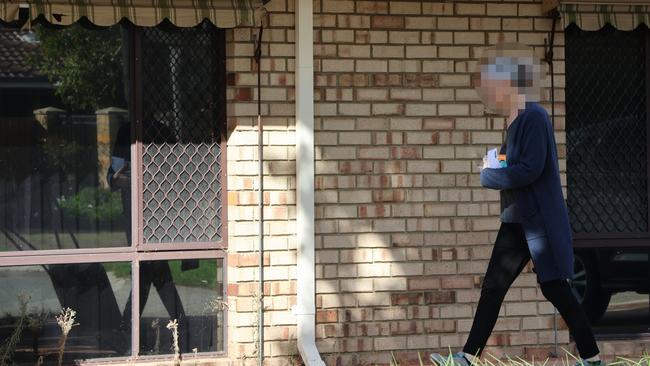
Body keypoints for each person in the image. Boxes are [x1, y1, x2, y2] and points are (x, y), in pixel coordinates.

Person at [429, 43, 603, 366]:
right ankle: (467, 357)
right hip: (517, 221)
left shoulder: (533, 116)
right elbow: (516, 162)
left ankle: (592, 358)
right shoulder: (513, 119)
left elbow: (529, 169)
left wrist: (489, 174)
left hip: (538, 223)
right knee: (493, 288)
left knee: (556, 290)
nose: (489, 92)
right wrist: (498, 161)